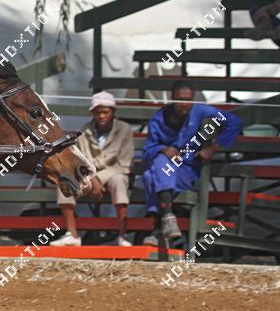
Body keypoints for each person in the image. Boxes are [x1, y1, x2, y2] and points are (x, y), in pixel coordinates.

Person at [140, 81, 243, 244]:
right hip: (165, 168)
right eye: (179, 99)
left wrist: (213, 148)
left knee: (149, 176)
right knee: (159, 162)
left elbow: (234, 121)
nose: (183, 104)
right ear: (172, 98)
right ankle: (168, 218)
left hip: (186, 169)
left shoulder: (200, 111)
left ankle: (159, 226)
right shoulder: (158, 118)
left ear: (193, 99)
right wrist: (163, 149)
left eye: (187, 99)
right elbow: (147, 152)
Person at [50, 91, 135, 247]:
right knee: (65, 181)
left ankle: (123, 235)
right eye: (97, 112)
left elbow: (124, 164)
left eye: (105, 112)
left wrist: (97, 179)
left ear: (113, 112)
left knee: (119, 181)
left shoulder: (125, 130)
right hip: (88, 176)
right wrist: (92, 179)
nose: (101, 116)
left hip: (113, 174)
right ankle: (72, 235)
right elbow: (81, 161)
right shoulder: (85, 130)